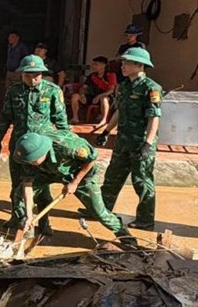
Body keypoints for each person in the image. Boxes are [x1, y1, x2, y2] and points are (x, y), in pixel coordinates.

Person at [0, 54, 70, 233]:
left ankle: (44, 222)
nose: (33, 78)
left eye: (37, 74)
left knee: (41, 188)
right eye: (28, 75)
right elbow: (5, 118)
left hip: (42, 148)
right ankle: (18, 217)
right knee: (17, 184)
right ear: (21, 74)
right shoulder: (14, 92)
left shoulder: (52, 91)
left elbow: (62, 123)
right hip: (19, 147)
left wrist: (64, 147)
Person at [12, 132, 134, 242]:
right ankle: (28, 228)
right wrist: (29, 214)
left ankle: (127, 238)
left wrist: (75, 182)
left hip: (80, 173)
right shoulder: (27, 158)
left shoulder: (67, 146)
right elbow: (27, 185)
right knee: (18, 196)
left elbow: (92, 158)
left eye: (33, 161)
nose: (30, 163)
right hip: (47, 172)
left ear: (43, 151)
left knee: (99, 212)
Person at [96, 48, 162, 230]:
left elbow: (154, 117)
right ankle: (102, 208)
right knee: (112, 176)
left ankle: (145, 219)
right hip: (123, 140)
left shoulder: (151, 88)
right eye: (123, 62)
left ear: (140, 65)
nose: (122, 66)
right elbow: (119, 111)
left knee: (141, 180)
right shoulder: (124, 86)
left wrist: (148, 144)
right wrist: (106, 131)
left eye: (127, 63)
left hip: (140, 142)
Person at [70, 56, 116, 125]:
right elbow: (84, 87)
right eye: (93, 64)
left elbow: (111, 90)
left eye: (96, 64)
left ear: (103, 65)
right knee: (75, 96)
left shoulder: (111, 75)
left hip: (106, 97)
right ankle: (75, 118)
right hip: (93, 96)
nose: (93, 66)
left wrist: (99, 96)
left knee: (104, 99)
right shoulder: (92, 76)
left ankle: (104, 120)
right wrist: (82, 94)